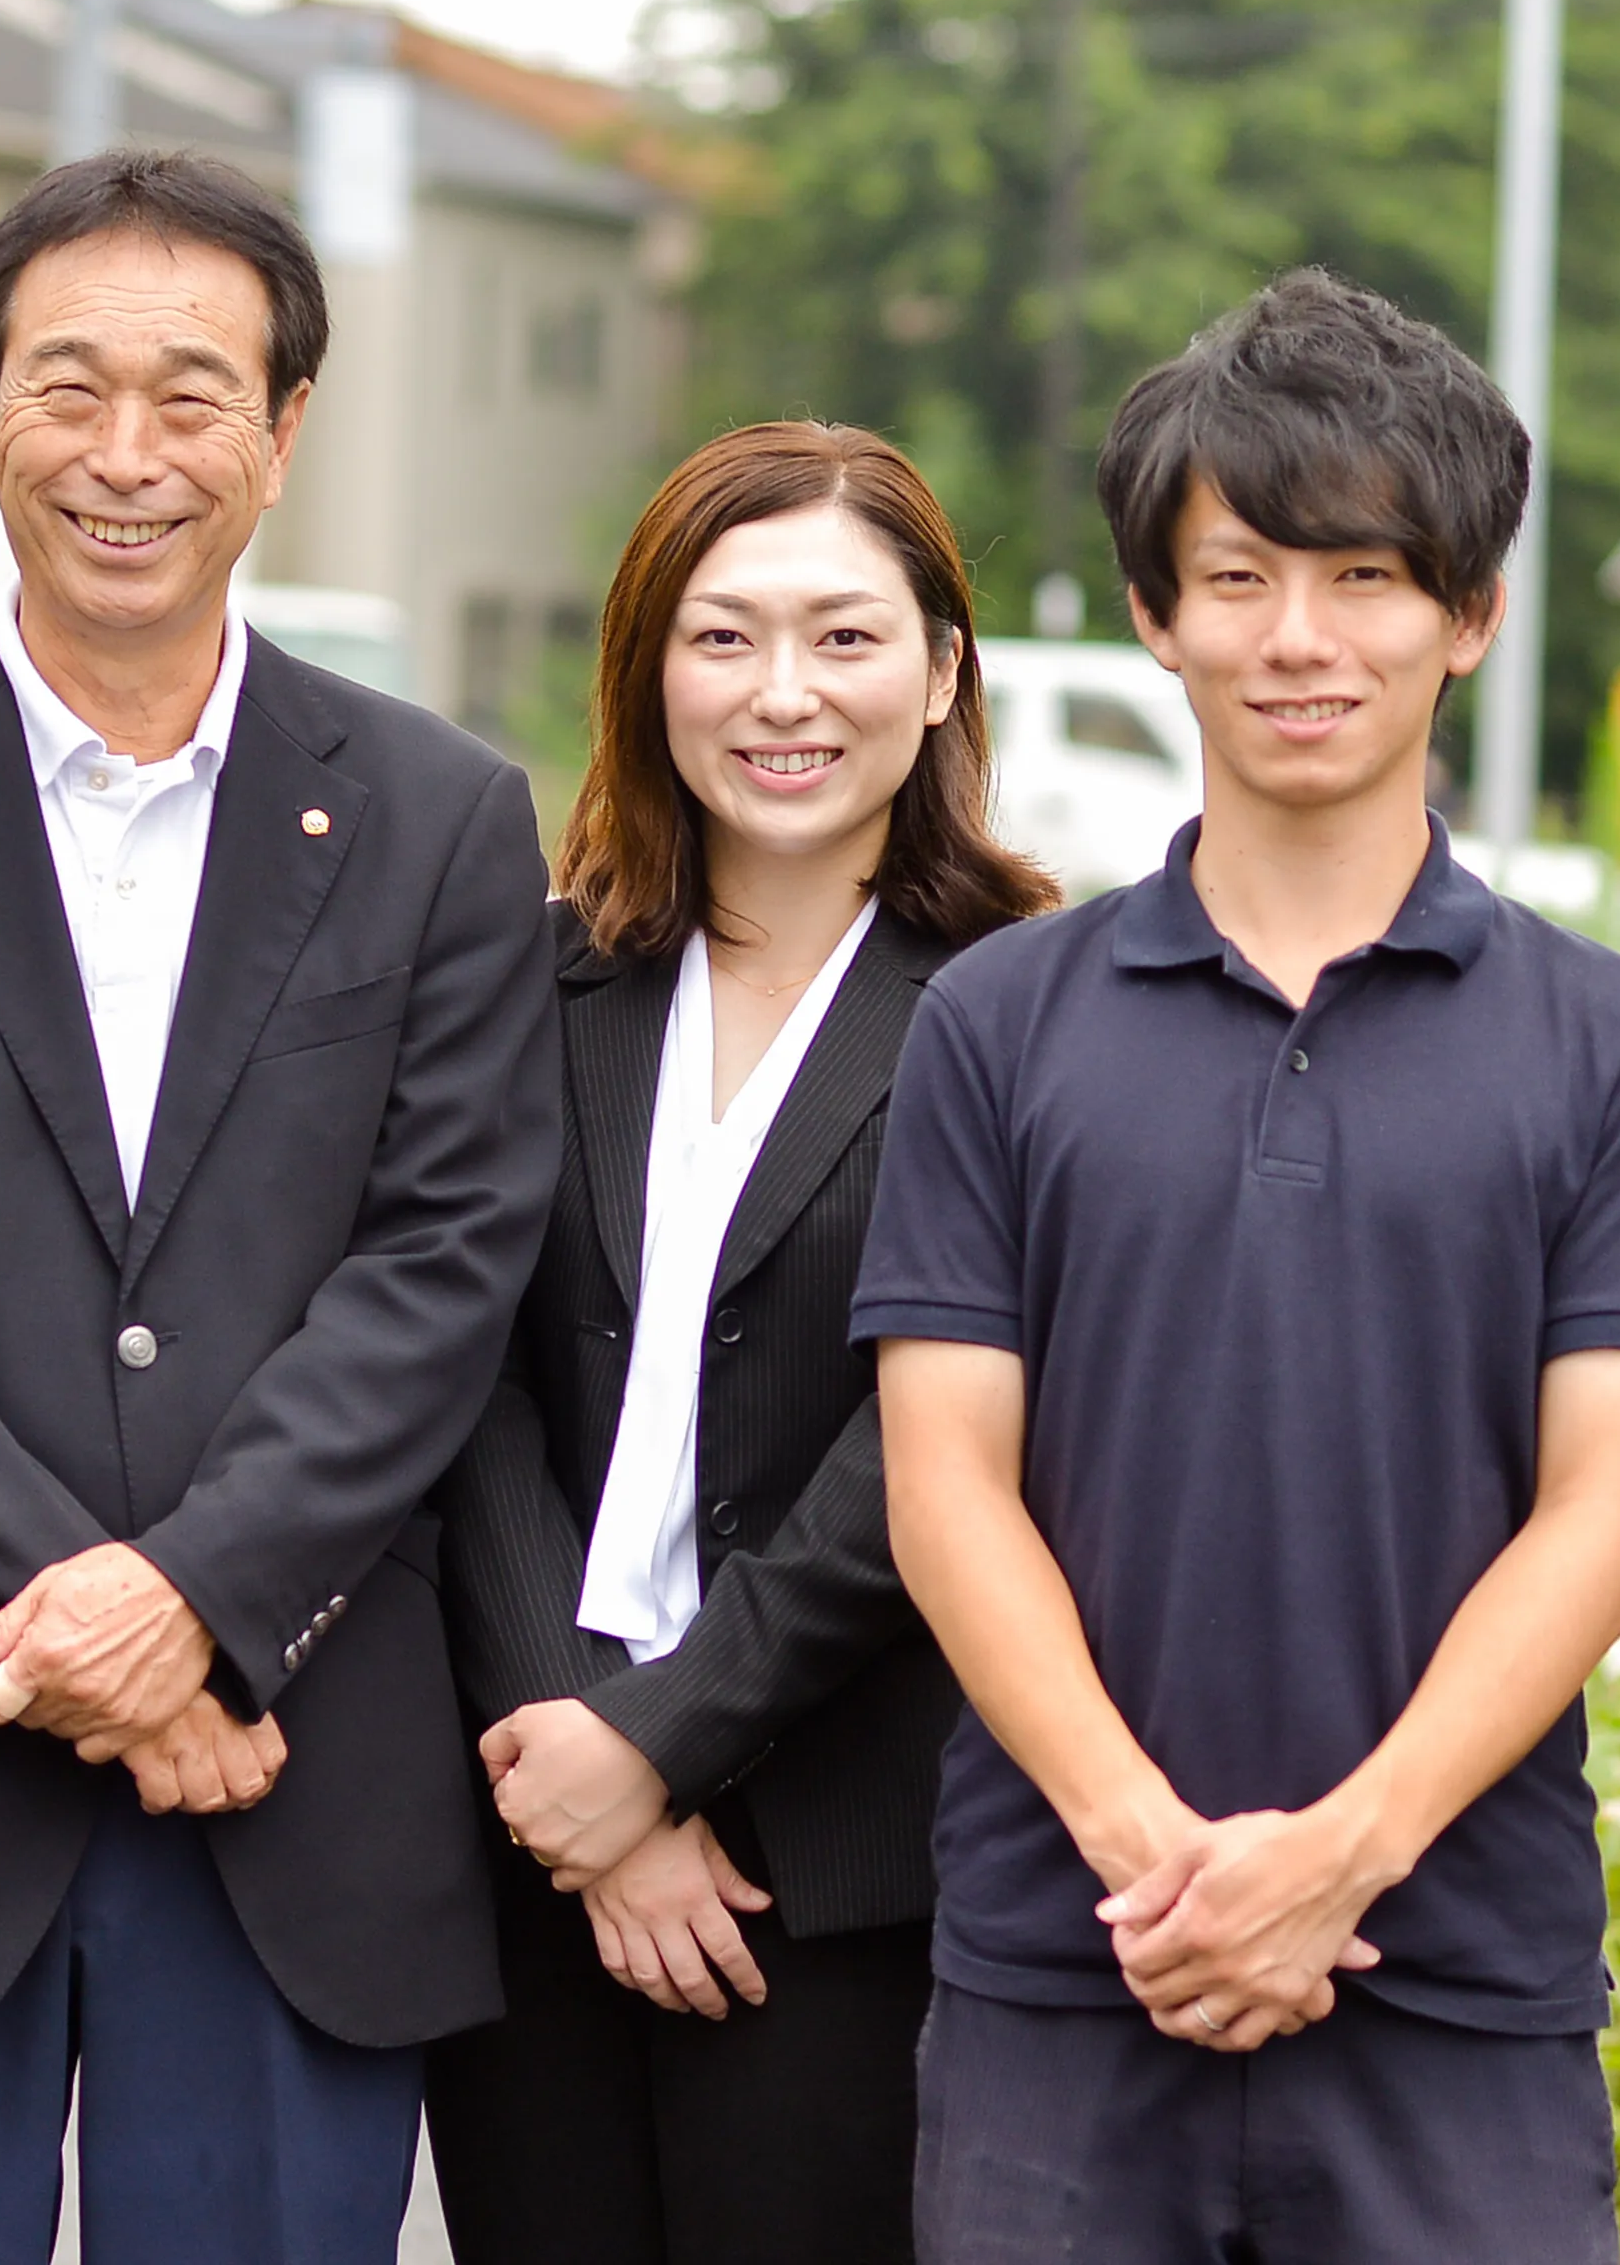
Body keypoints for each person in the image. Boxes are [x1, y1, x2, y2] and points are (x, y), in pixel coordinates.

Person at [0, 148, 562, 2265]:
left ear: (284, 431)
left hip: (291, 1764)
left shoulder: (434, 816)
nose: (123, 455)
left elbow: (443, 1262)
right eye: (67, 389)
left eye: (189, 394)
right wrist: (85, 1624)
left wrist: (199, 1604)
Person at [858, 270, 1620, 2262]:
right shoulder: (997, 1026)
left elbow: (1617, 1499)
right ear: (1156, 616)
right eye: (1238, 576)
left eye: (1363, 576)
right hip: (1065, 1965)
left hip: (1455, 1982)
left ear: (1469, 616)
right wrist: (1154, 1859)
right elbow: (944, 1482)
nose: (1298, 638)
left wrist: (1342, 1858)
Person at [428, 423, 1058, 2265]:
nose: (785, 694)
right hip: (528, 1830)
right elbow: (463, 1389)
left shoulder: (1026, 1012)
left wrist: (670, 1749)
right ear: (646, 672)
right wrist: (584, 1774)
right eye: (724, 637)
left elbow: (935, 1443)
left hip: (842, 1864)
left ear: (942, 673)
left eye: (847, 639)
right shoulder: (522, 983)